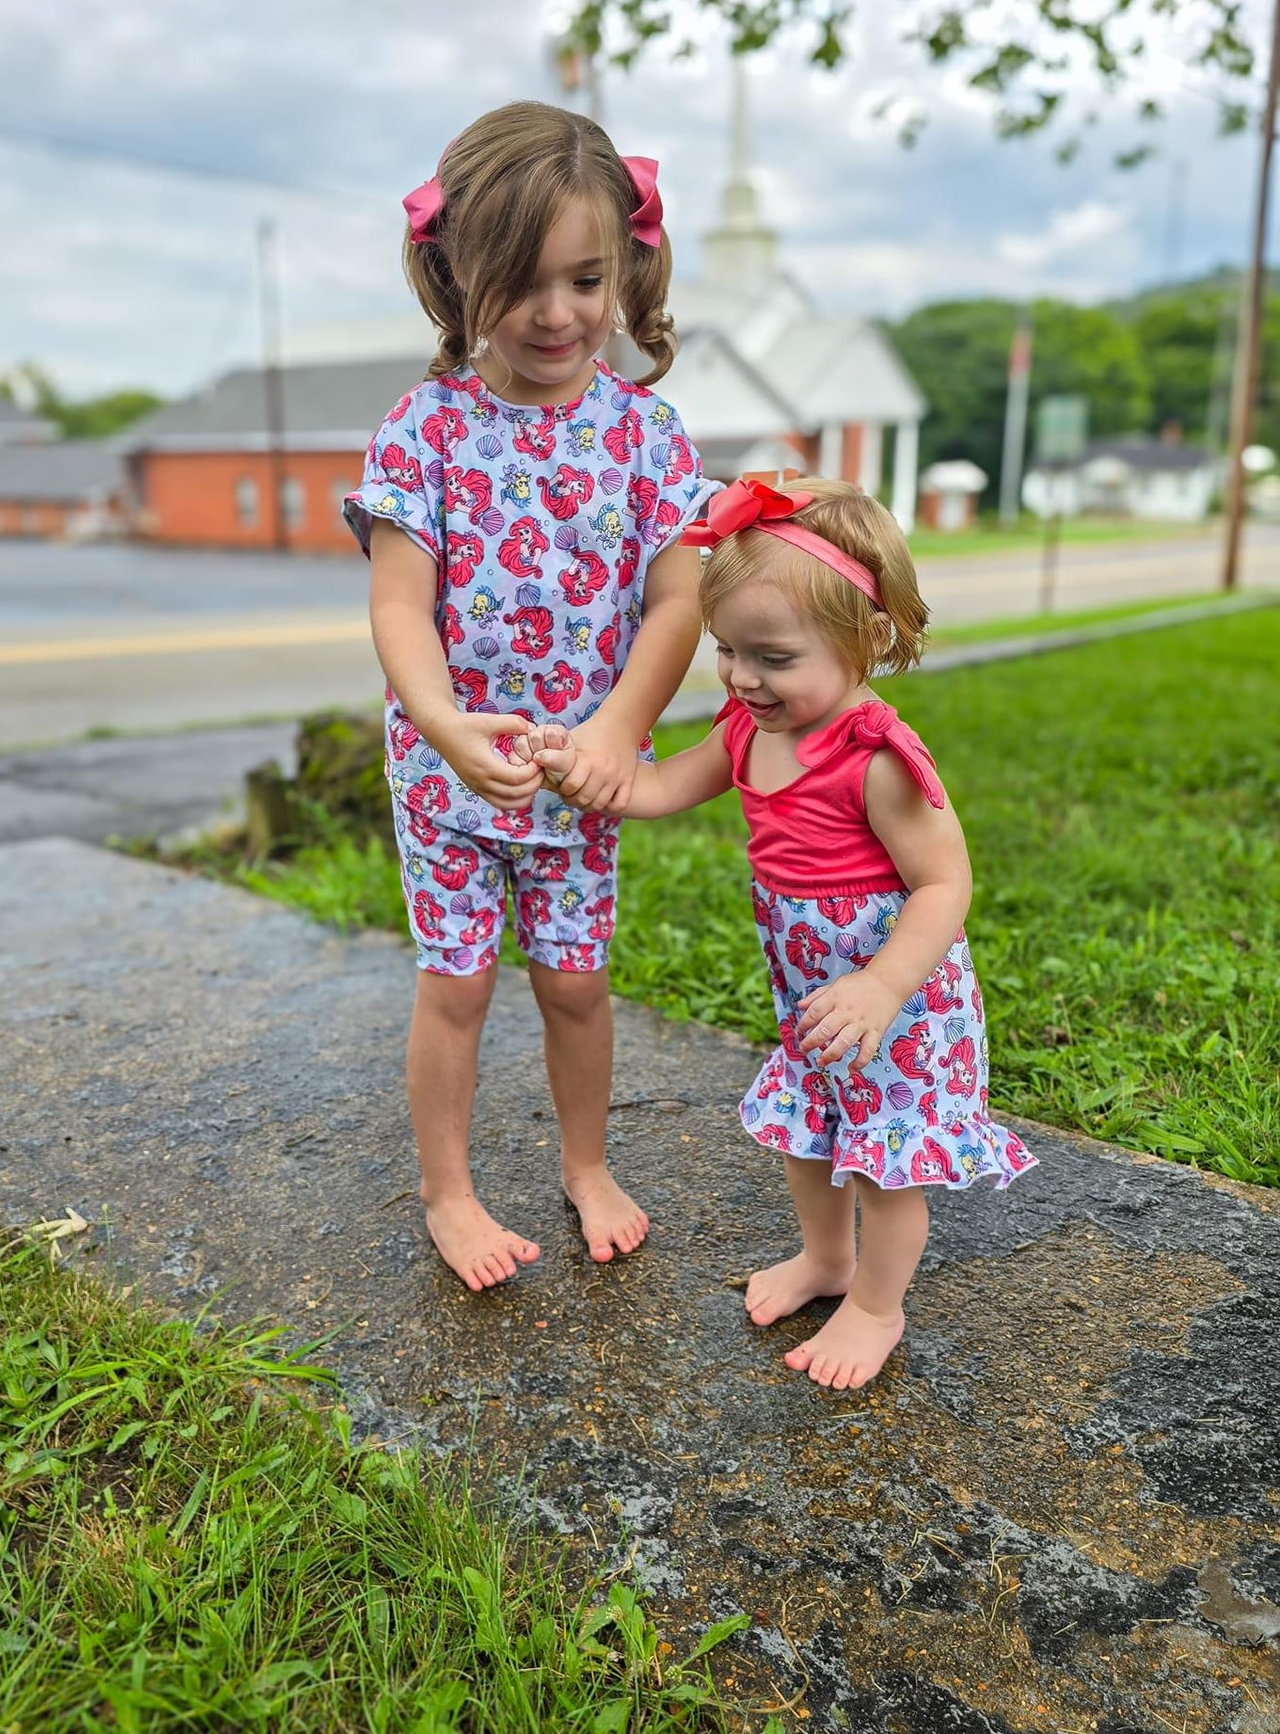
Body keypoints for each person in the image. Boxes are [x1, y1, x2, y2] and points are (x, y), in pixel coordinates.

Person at [519, 475, 1037, 1388]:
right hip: (807, 989)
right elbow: (656, 786)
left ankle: (876, 1306)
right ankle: (825, 1260)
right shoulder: (745, 729)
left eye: (774, 656)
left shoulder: (875, 760)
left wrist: (881, 986)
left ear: (866, 640)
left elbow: (944, 882)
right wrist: (579, 768)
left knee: (886, 1158)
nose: (743, 677)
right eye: (726, 650)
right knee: (810, 1132)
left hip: (896, 999)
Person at [343, 100, 711, 1293]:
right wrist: (443, 724)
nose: (557, 313)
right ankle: (447, 1191)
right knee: (456, 986)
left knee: (573, 980)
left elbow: (675, 601)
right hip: (449, 776)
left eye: (586, 278)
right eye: (522, 283)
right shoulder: (426, 430)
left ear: (626, 269)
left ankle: (585, 1162)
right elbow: (401, 606)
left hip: (580, 777)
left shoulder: (648, 437)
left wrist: (617, 726)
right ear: (456, 275)